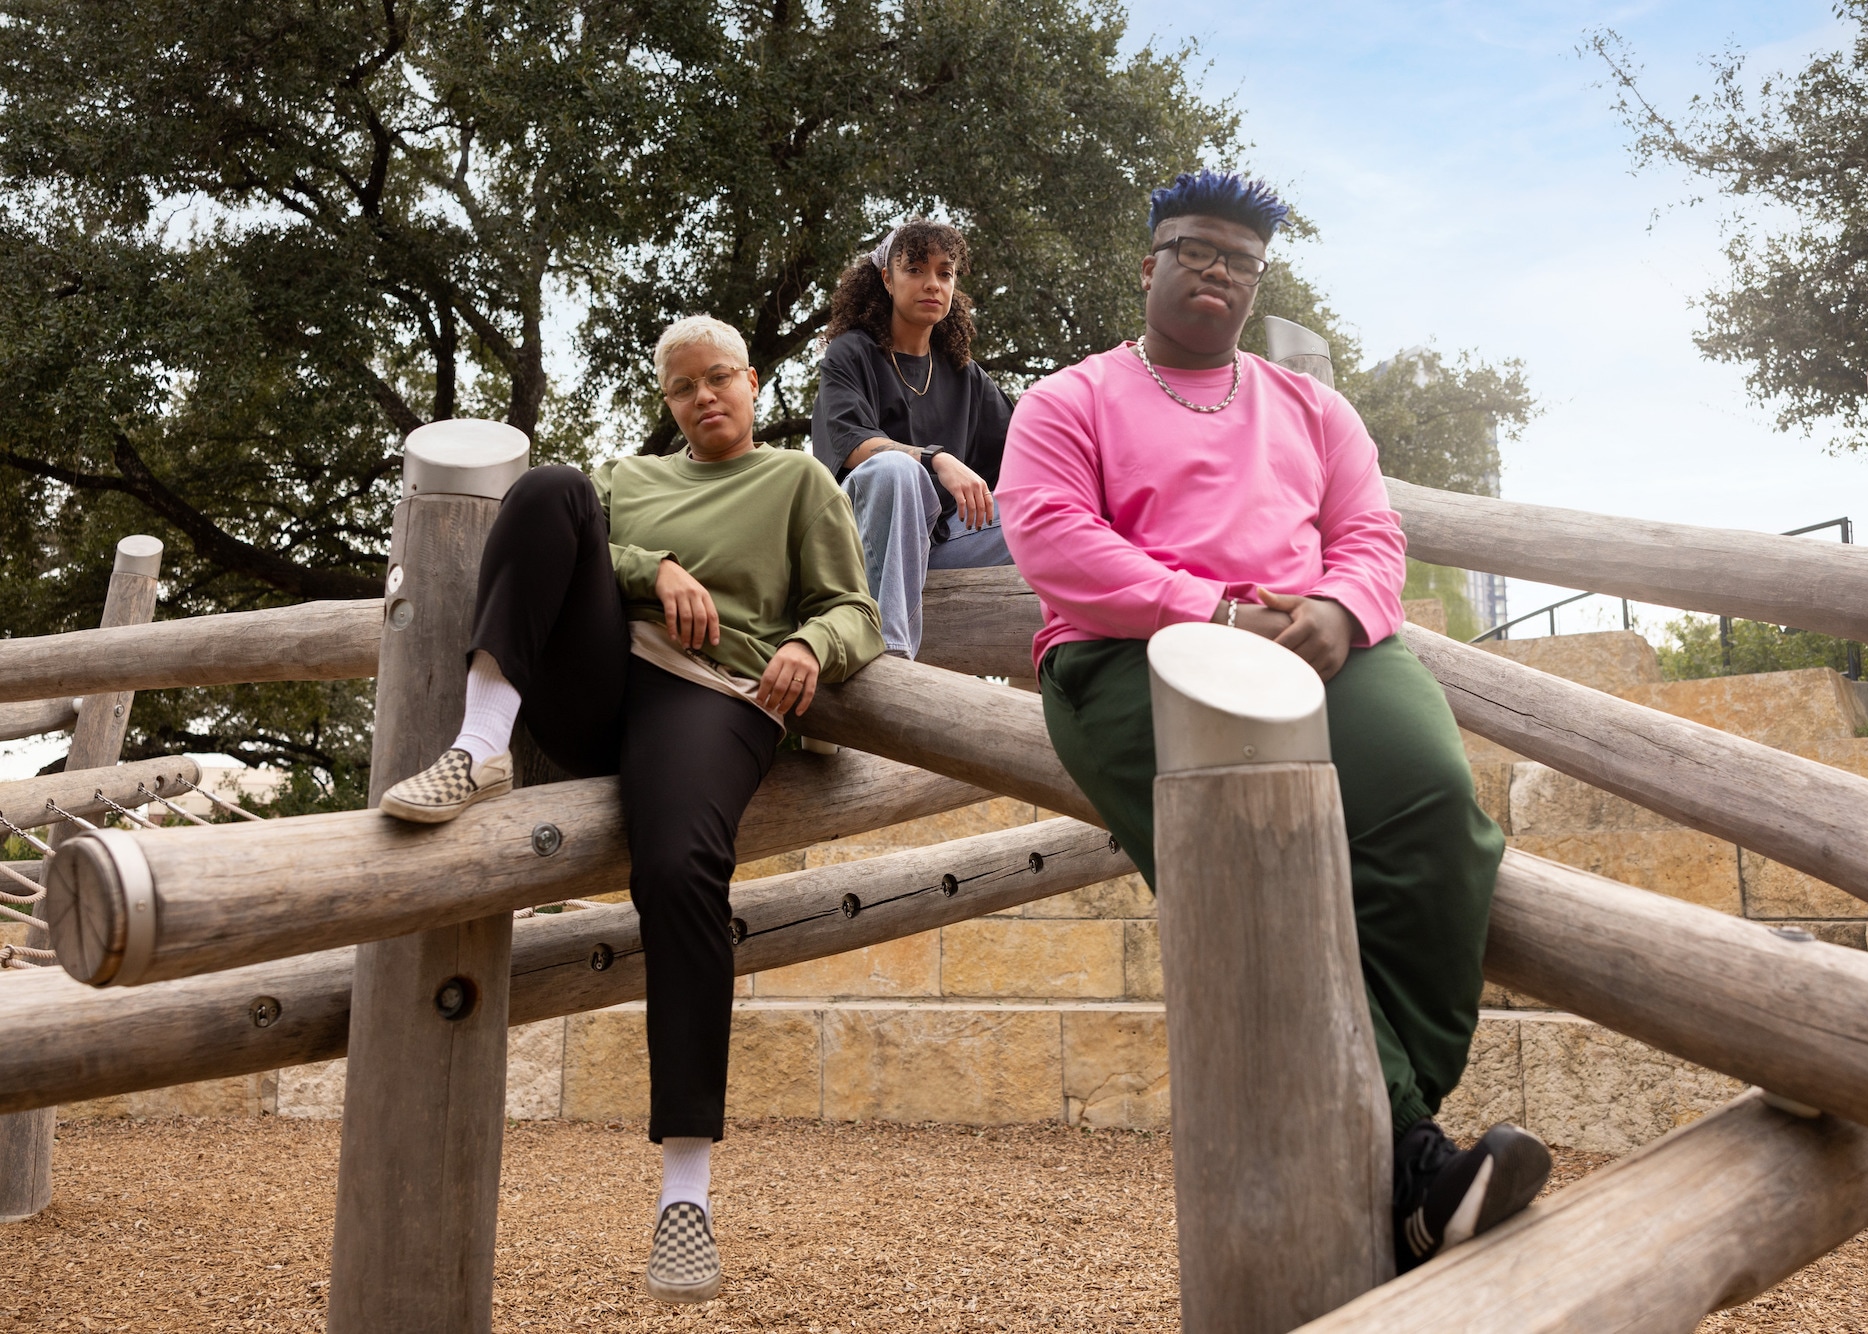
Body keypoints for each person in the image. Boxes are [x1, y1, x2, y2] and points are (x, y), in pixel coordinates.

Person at [994, 169, 1548, 1273]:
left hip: (1315, 646)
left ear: (1256, 284)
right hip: (1135, 659)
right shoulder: (1069, 399)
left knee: (1439, 815)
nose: (1215, 271)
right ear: (1146, 263)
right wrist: (1209, 606)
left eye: (1238, 261)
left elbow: (1369, 535)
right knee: (1262, 865)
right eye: (1194, 249)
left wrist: (1342, 610)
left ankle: (1400, 1144)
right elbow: (1049, 535)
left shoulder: (1312, 408)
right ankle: (1412, 1158)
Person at [378, 315, 884, 1306]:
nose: (706, 397)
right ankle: (479, 747)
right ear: (668, 402)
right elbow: (566, 550)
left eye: (721, 378)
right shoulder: (625, 479)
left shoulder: (797, 483)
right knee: (548, 485)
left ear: (750, 382)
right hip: (602, 680)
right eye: (685, 386)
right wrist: (650, 567)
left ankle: (683, 1189)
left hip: (710, 694)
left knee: (678, 865)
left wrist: (809, 645)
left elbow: (856, 610)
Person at [811, 219, 1014, 658]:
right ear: (887, 278)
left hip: (938, 546)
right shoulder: (851, 353)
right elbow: (850, 442)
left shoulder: (965, 375)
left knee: (1057, 511)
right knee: (894, 469)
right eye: (916, 269)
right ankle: (889, 655)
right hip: (860, 543)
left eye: (945, 272)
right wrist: (935, 459)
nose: (932, 284)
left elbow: (1023, 452)